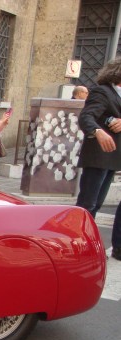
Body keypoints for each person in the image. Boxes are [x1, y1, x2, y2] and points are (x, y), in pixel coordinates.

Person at [74, 57, 121, 261]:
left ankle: (87, 243)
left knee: (97, 204)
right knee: (88, 204)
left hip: (112, 157)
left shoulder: (117, 95)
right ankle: (77, 243)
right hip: (98, 156)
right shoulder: (103, 91)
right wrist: (98, 131)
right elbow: (87, 116)